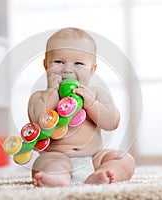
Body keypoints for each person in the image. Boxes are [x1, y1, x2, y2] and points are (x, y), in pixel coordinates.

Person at [28, 27, 135, 187]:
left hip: (94, 158)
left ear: (92, 69)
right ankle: (58, 180)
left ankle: (100, 175)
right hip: (57, 156)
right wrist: (51, 92)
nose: (68, 69)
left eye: (78, 63)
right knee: (46, 163)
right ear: (45, 65)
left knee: (124, 159)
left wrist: (91, 105)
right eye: (59, 62)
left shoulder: (96, 94)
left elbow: (112, 123)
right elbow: (40, 120)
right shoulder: (39, 96)